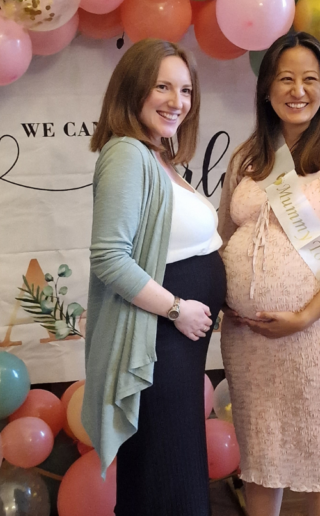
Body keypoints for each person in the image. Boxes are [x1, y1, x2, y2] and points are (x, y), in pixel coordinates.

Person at [217, 32, 320, 516]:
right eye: (285, 78)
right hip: (248, 341)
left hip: (316, 335)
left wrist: (305, 315)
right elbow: (224, 237)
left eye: (310, 79)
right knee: (259, 456)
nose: (297, 90)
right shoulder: (247, 159)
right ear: (267, 89)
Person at [81, 38, 226, 516]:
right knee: (167, 476)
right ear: (133, 89)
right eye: (162, 86)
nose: (176, 101)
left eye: (184, 90)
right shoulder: (126, 154)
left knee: (172, 469)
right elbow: (109, 257)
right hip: (158, 342)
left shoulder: (158, 154)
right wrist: (178, 309)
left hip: (179, 345)